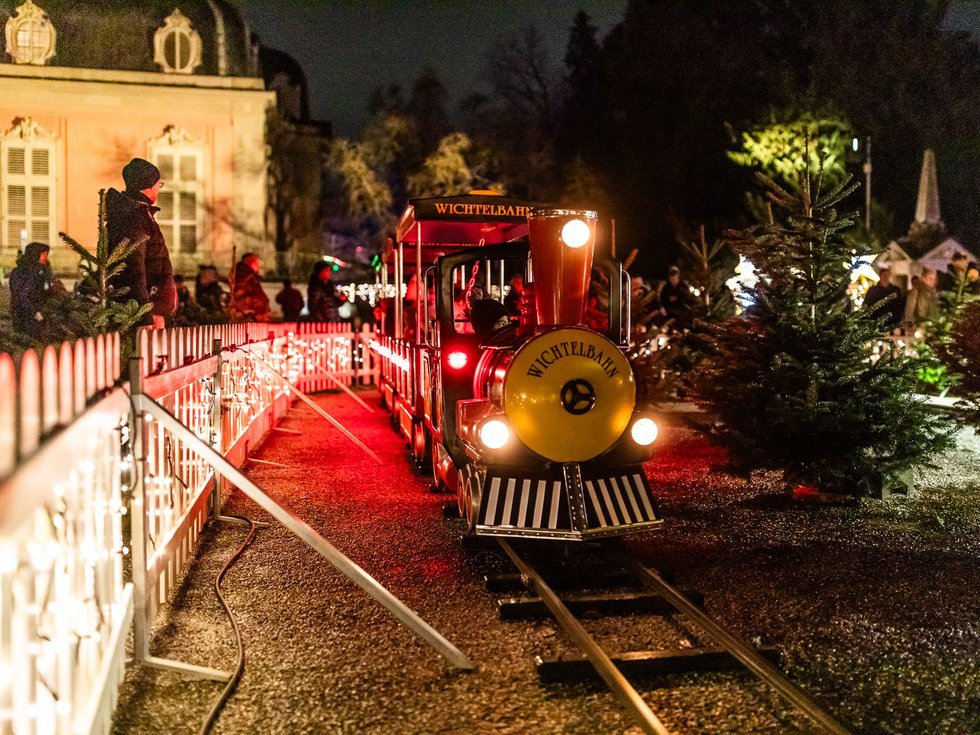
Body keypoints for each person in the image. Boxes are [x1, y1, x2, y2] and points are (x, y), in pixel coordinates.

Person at [105, 157, 176, 326]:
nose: (159, 188)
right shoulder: (135, 218)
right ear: (148, 185)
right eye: (159, 183)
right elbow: (133, 269)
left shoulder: (140, 214)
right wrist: (146, 315)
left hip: (151, 310)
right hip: (145, 315)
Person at [9, 242, 56, 339]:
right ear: (35, 254)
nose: (46, 257)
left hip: (19, 314)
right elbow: (24, 295)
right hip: (28, 317)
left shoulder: (21, 269)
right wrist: (36, 313)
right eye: (43, 254)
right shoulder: (32, 272)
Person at [229, 252, 271, 322]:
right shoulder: (242, 271)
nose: (257, 263)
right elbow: (242, 287)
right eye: (255, 261)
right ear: (247, 260)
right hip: (246, 305)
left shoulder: (250, 273)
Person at [658, 266, 694, 330]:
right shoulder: (666, 287)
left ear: (678, 277)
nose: (673, 281)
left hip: (681, 308)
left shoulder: (683, 286)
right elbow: (662, 299)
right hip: (669, 309)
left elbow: (687, 297)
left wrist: (679, 297)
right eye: (672, 279)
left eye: (675, 279)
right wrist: (669, 299)